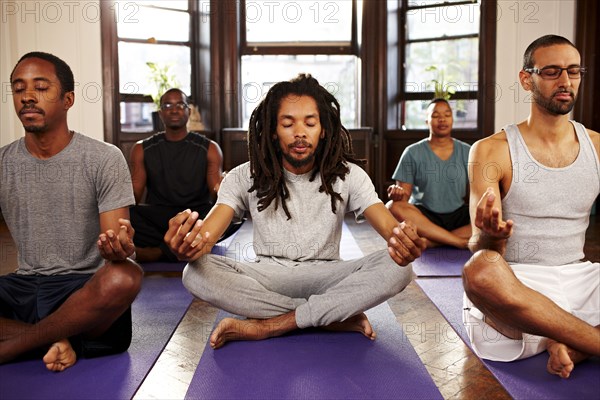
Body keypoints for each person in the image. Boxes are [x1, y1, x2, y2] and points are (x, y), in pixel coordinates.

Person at [164, 74, 426, 349]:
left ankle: (273, 324)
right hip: (267, 279)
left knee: (401, 267)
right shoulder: (244, 176)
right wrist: (189, 245)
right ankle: (328, 316)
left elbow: (389, 229)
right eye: (288, 124)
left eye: (310, 123)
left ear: (323, 129)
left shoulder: (350, 176)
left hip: (328, 277)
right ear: (274, 131)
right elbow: (207, 235)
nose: (300, 132)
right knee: (194, 272)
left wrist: (403, 242)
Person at [462, 35, 600, 379]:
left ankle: (569, 340)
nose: (565, 81)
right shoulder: (490, 150)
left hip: (581, 280)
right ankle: (581, 339)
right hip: (518, 292)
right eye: (552, 72)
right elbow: (477, 244)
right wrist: (492, 239)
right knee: (480, 268)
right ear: (527, 79)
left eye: (573, 71)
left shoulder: (597, 146)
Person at [0, 52, 143, 371]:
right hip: (24, 286)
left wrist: (119, 248)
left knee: (125, 275)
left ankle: (10, 348)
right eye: (19, 88)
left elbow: (116, 244)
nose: (27, 97)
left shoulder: (104, 158)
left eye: (40, 87)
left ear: (67, 99)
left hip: (82, 291)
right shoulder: (2, 162)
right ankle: (53, 340)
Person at [129, 88, 232, 262]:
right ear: (161, 112)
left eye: (180, 105)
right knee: (126, 213)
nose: (174, 109)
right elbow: (134, 195)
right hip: (159, 217)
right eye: (168, 105)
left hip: (195, 216)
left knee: (232, 215)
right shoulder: (142, 148)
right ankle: (185, 246)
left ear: (188, 111)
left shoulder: (210, 148)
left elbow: (217, 192)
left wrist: (225, 187)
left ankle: (159, 252)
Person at [387, 98, 471, 249]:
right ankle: (459, 241)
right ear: (427, 121)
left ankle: (432, 240)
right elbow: (403, 198)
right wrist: (397, 195)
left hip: (458, 215)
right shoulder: (412, 152)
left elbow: (475, 196)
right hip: (425, 217)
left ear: (452, 119)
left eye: (447, 114)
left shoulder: (468, 151)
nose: (442, 119)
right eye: (435, 115)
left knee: (494, 215)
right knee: (393, 207)